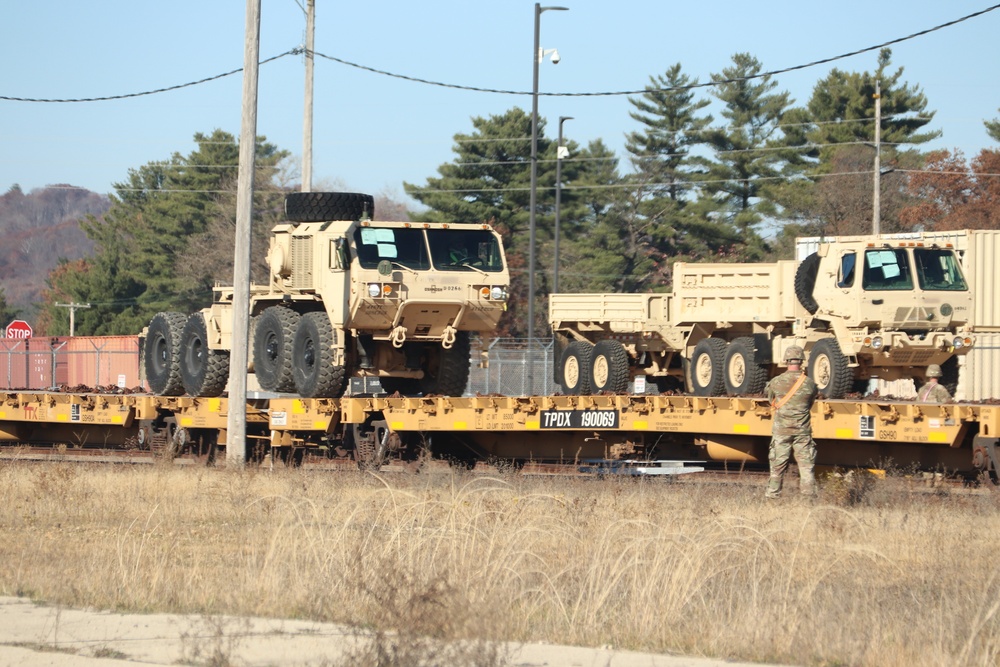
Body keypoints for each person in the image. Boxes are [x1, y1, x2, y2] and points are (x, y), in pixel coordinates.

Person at [764, 345, 819, 499]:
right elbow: (810, 403)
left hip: (781, 432)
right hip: (802, 432)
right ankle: (808, 502)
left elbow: (771, 401)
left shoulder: (776, 382)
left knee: (777, 468)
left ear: (786, 361)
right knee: (807, 469)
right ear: (802, 361)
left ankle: (772, 499)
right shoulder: (809, 383)